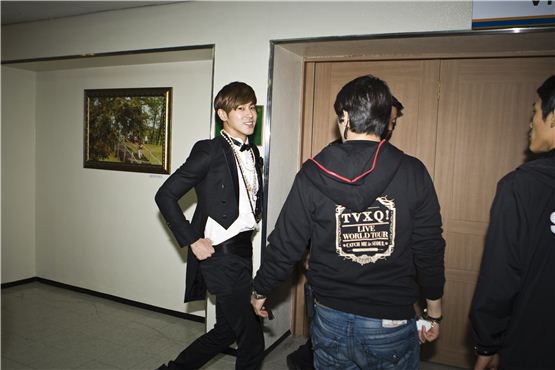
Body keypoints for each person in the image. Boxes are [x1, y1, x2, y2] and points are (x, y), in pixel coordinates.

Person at [251, 75, 445, 369]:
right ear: (385, 119)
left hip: (330, 317)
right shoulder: (413, 172)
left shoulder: (311, 174)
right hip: (390, 321)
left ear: (344, 118)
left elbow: (286, 244)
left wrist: (260, 290)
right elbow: (429, 249)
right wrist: (434, 312)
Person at [285, 95, 406, 370]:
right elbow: (306, 218)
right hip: (330, 287)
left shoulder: (401, 167)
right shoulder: (328, 162)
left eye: (393, 123)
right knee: (322, 342)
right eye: (388, 120)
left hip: (382, 298)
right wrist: (307, 251)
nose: (389, 128)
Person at [155, 81, 265, 370]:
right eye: (239, 108)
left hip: (243, 252)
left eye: (251, 107)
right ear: (222, 114)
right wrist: (192, 239)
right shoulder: (209, 151)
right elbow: (165, 194)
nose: (249, 114)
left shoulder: (254, 154)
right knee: (252, 339)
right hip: (221, 257)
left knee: (226, 331)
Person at [469, 75, 555, 370]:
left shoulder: (523, 187)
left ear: (553, 117)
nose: (531, 123)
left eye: (535, 112)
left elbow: (501, 275)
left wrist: (486, 342)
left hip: (531, 344)